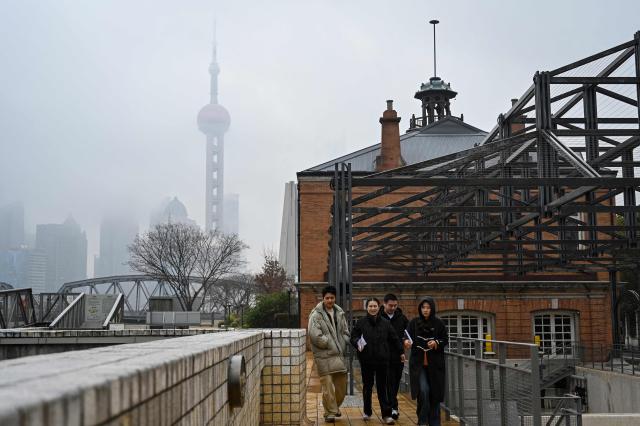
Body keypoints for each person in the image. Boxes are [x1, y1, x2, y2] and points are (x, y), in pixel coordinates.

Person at [350, 298, 402, 425]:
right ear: (367, 308)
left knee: (382, 388)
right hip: (366, 360)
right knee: (367, 387)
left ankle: (386, 414)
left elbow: (394, 338)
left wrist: (401, 351)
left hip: (382, 360)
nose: (373, 308)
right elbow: (353, 337)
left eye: (375, 306)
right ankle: (367, 411)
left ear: (379, 308)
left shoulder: (385, 323)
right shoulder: (361, 323)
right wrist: (357, 342)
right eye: (370, 306)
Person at [308, 285, 350, 423]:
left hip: (338, 355)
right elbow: (315, 335)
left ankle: (333, 408)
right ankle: (330, 412)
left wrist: (343, 342)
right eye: (327, 298)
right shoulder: (316, 315)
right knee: (327, 387)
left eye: (332, 297)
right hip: (323, 356)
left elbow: (345, 331)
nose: (330, 300)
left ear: (335, 298)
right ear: (323, 298)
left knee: (341, 387)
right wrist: (328, 343)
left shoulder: (340, 313)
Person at [406, 297, 448, 426]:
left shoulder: (439, 323)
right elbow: (406, 336)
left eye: (428, 307)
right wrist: (406, 342)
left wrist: (436, 342)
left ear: (432, 309)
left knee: (435, 393)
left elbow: (445, 339)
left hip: (435, 365)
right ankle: (423, 420)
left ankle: (434, 422)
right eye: (423, 307)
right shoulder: (413, 322)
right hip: (419, 365)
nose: (425, 310)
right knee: (424, 391)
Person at [379, 293, 409, 420]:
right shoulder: (378, 317)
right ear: (384, 304)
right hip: (383, 355)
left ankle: (393, 407)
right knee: (387, 382)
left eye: (395, 305)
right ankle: (392, 408)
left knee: (395, 382)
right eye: (390, 305)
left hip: (398, 355)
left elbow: (408, 333)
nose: (393, 308)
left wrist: (407, 341)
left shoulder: (402, 318)